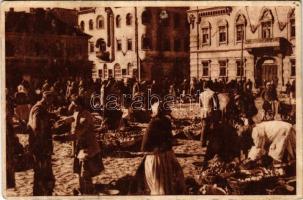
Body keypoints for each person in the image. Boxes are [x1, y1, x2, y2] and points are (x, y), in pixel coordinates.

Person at [54, 96, 103, 195]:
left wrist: (62, 137)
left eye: (75, 105)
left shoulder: (86, 116)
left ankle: (89, 192)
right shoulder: (78, 112)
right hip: (80, 147)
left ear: (80, 105)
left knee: (85, 171)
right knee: (79, 169)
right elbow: (73, 117)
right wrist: (64, 120)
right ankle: (82, 189)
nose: (73, 106)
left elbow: (77, 134)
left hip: (88, 147)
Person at [133, 101, 185, 195]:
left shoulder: (153, 123)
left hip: (157, 157)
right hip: (166, 156)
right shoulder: (166, 121)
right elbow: (170, 140)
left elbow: (144, 146)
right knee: (166, 184)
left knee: (159, 185)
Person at [27, 91, 56, 196]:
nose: (51, 104)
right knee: (41, 173)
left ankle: (42, 193)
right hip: (40, 147)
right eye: (50, 101)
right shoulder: (38, 109)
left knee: (43, 173)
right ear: (46, 99)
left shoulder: (41, 108)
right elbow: (36, 128)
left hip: (42, 146)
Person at [199, 81, 219, 147]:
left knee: (204, 127)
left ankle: (202, 142)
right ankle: (211, 142)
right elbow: (216, 106)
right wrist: (216, 113)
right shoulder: (213, 93)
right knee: (213, 127)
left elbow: (200, 105)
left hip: (204, 112)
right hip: (211, 112)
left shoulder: (201, 94)